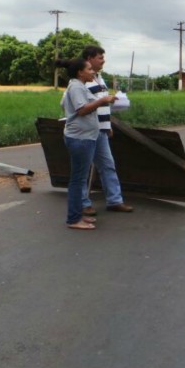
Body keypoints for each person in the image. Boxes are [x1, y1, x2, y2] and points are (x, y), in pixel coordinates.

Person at [58, 58, 117, 231]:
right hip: (80, 139)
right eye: (90, 69)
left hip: (85, 137)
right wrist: (102, 101)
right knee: (78, 180)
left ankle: (77, 214)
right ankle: (73, 219)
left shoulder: (80, 86)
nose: (93, 72)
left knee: (79, 178)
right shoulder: (76, 86)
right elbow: (82, 109)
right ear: (80, 72)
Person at [80, 46, 134, 216]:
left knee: (108, 166)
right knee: (82, 169)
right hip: (86, 131)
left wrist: (107, 125)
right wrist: (104, 99)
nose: (103, 60)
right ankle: (82, 203)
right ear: (89, 58)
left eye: (103, 57)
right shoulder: (81, 81)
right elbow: (81, 107)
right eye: (100, 57)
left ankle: (114, 201)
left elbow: (101, 104)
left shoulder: (99, 78)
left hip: (101, 131)